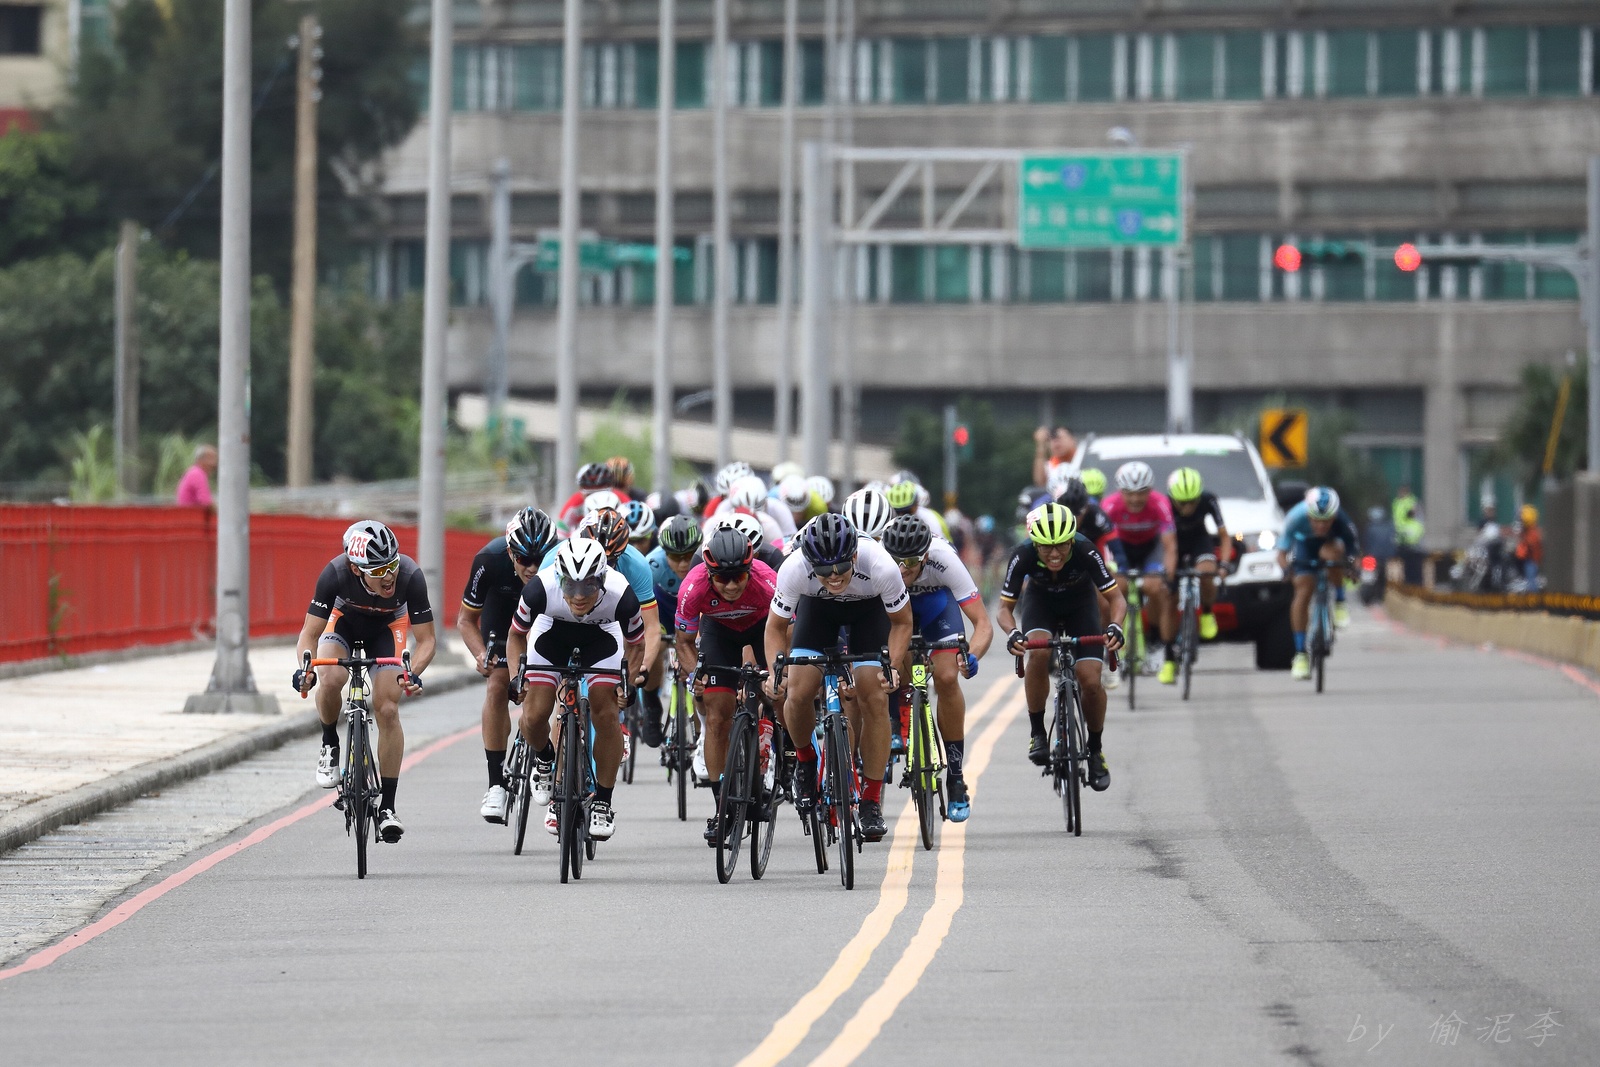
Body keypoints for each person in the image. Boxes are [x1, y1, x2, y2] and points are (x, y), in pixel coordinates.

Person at [763, 513, 913, 843]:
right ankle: (805, 761)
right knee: (797, 693)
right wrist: (777, 672)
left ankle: (870, 800)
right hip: (818, 612)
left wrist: (892, 666)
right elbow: (775, 628)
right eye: (823, 570)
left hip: (868, 612)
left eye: (841, 568)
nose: (833, 576)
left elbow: (902, 623)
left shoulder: (881, 565)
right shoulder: (794, 567)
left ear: (854, 556)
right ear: (809, 562)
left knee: (874, 696)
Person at [292, 520, 436, 844]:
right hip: (344, 623)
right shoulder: (335, 574)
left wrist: (412, 673)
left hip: (387, 628)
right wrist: (305, 670)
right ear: (356, 570)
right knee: (330, 677)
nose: (389, 577)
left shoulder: (410, 576)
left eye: (392, 565)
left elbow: (427, 641)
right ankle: (330, 742)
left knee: (388, 708)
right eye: (379, 570)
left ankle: (388, 807)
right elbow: (309, 635)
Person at [507, 537, 645, 842]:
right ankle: (545, 758)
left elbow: (636, 646)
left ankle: (603, 802)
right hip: (551, 635)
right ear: (559, 579)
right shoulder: (539, 589)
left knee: (606, 714)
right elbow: (516, 635)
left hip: (601, 637)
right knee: (533, 715)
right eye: (570, 586)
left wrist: (628, 682)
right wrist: (517, 677)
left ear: (602, 579)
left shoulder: (622, 595)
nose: (579, 596)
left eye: (589, 586)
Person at [996, 504, 1124, 791]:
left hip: (1081, 605)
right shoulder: (1022, 554)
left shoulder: (1086, 549)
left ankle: (1095, 750)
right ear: (1035, 544)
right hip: (1041, 604)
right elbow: (1004, 609)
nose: (1054, 554)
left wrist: (1115, 626)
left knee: (1091, 681)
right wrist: (1013, 633)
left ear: (1072, 541)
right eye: (1046, 547)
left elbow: (1117, 599)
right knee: (1038, 653)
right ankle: (1037, 733)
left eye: (1062, 546)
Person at [881, 515, 993, 822]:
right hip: (896, 609)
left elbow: (983, 624)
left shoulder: (944, 560)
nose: (902, 569)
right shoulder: (879, 563)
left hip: (936, 607)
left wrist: (972, 656)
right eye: (896, 561)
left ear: (926, 556)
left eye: (910, 562)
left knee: (946, 677)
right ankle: (896, 719)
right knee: (889, 665)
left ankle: (955, 778)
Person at [674, 526, 780, 845]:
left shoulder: (768, 582)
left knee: (780, 690)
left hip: (763, 630)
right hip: (719, 633)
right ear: (709, 573)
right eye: (722, 578)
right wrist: (696, 674)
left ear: (751, 569)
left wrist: (776, 674)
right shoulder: (693, 587)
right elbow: (684, 643)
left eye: (739, 577)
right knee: (717, 716)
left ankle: (783, 748)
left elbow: (785, 633)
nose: (732, 585)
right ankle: (723, 807)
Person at [457, 507, 558, 824]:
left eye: (540, 558)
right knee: (498, 685)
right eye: (524, 559)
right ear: (511, 552)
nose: (533, 567)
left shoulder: (561, 561)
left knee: (550, 691)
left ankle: (549, 759)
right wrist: (481, 655)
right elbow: (465, 620)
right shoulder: (489, 559)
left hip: (545, 620)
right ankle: (496, 785)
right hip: (502, 619)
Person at [1100, 461, 1178, 679]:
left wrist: (1169, 576)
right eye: (1129, 493)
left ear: (1150, 490)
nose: (1135, 499)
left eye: (1141, 493)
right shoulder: (1110, 505)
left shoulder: (1160, 503)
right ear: (1120, 491)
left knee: (1156, 587)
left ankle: (1154, 641)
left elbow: (1170, 546)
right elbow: (1101, 543)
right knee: (1114, 589)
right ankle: (1111, 643)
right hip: (1121, 550)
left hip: (1150, 550)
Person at [1278, 487, 1361, 681]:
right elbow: (1281, 555)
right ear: (1308, 515)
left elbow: (1355, 553)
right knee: (1303, 590)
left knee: (1332, 555)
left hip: (1330, 545)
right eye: (1316, 520)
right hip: (1305, 545)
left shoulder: (1343, 521)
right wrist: (1287, 570)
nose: (1321, 525)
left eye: (1327, 520)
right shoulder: (1295, 518)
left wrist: (1354, 570)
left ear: (1334, 516)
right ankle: (1300, 654)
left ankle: (1340, 600)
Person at [1055, 476, 1126, 690]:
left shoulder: (1097, 516)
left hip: (1092, 563)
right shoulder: (1050, 517)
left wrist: (1120, 567)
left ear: (1086, 507)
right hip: (1060, 564)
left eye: (1078, 513)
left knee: (1104, 600)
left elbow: (1116, 549)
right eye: (1069, 513)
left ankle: (1107, 650)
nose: (1075, 519)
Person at [640, 514, 703, 745]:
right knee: (653, 646)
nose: (683, 564)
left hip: (696, 608)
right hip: (663, 609)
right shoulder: (652, 564)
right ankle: (651, 704)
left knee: (701, 654)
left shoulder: (706, 561)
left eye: (688, 555)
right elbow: (640, 611)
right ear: (664, 553)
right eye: (676, 557)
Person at [1165, 467, 1233, 659]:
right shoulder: (1164, 504)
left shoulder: (1208, 499)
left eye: (1192, 502)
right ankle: (1168, 654)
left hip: (1199, 541)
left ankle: (1207, 611)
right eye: (1182, 503)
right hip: (1173, 544)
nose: (1188, 507)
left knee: (1206, 572)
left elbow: (1224, 536)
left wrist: (1224, 564)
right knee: (1169, 595)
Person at [556, 462, 615, 534]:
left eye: (601, 493)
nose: (595, 498)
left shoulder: (620, 498)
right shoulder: (576, 501)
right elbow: (561, 530)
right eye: (589, 494)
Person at [885, 478, 952, 539]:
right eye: (896, 512)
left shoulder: (929, 519)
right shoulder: (885, 518)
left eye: (907, 511)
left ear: (916, 505)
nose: (902, 516)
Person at [1392, 485, 1425, 584]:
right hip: (1403, 538)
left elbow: (1412, 516)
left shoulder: (1411, 502)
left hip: (1412, 538)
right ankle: (1410, 583)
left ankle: (1415, 584)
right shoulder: (1397, 503)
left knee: (1414, 565)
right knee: (1408, 565)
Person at [1364, 506, 1397, 600]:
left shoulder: (1370, 528)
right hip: (1385, 557)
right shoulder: (1389, 527)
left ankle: (1369, 596)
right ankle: (1380, 596)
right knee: (1382, 577)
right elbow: (1392, 543)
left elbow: (1366, 543)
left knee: (1369, 577)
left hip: (1371, 557)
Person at [175, 444, 217, 511]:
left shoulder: (193, 472)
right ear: (201, 459)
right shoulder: (197, 474)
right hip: (191, 515)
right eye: (211, 458)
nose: (214, 463)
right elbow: (205, 502)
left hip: (188, 513)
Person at [1515, 504, 1543, 586]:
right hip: (1528, 560)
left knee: (1531, 581)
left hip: (1531, 561)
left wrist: (1522, 542)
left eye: (1522, 519)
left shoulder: (1532, 532)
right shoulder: (1529, 531)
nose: (1521, 521)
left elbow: (1529, 546)